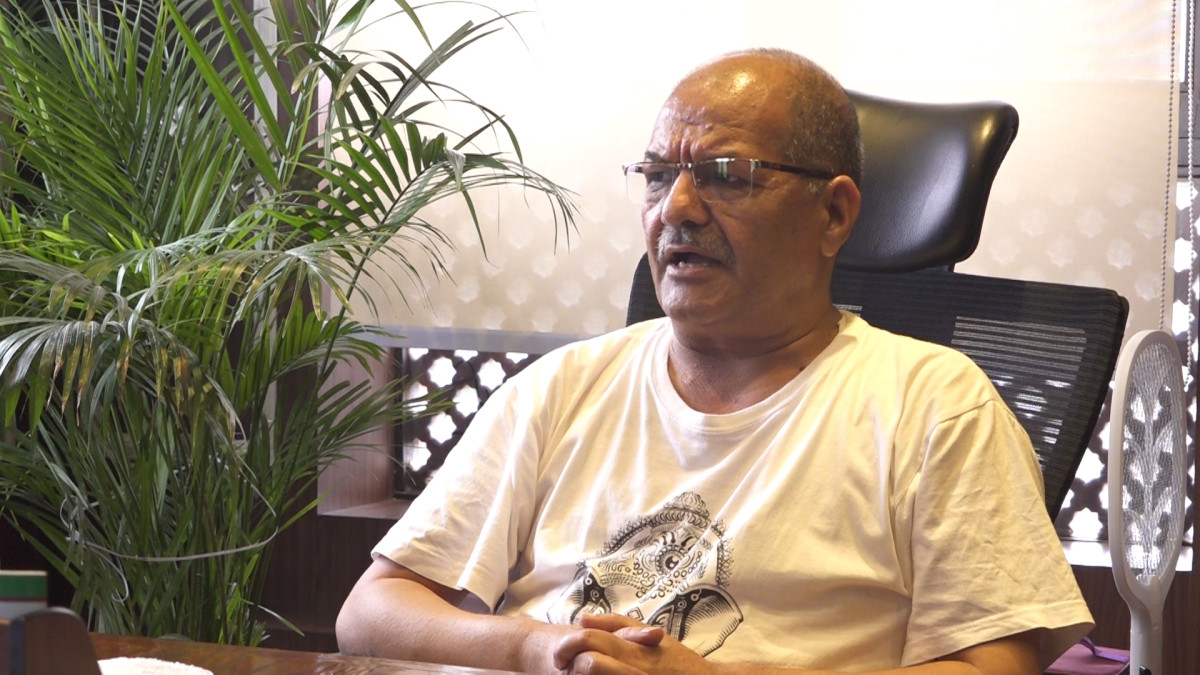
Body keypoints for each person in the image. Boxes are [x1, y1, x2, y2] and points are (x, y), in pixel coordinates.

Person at [336, 48, 1093, 674]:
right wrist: (537, 648)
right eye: (657, 175)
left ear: (833, 213)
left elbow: (996, 665)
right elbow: (371, 610)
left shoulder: (936, 407)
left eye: (727, 174)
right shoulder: (561, 387)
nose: (676, 208)